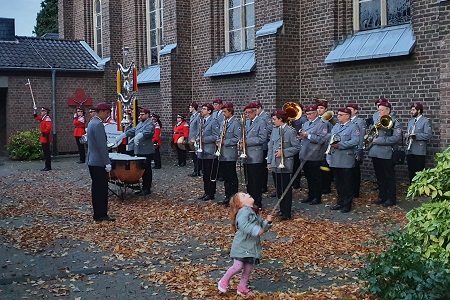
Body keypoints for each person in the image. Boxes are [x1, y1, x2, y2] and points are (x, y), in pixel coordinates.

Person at [217, 192, 273, 296]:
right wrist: (256, 230)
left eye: (246, 193)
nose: (247, 194)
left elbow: (261, 227)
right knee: (237, 266)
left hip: (252, 246)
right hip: (241, 245)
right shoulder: (243, 212)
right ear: (240, 204)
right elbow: (243, 225)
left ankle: (242, 287)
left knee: (248, 269)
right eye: (243, 196)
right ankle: (224, 280)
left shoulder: (255, 212)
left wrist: (267, 222)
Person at [267, 110, 301, 220]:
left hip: (285, 163)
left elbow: (297, 147)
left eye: (274, 119)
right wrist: (269, 161)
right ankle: (281, 210)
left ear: (281, 119)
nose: (273, 121)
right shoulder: (275, 130)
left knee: (285, 189)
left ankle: (287, 212)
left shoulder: (290, 131)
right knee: (278, 189)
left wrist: (284, 152)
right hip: (275, 163)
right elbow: (271, 146)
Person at [367, 101, 402, 207]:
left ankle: (391, 198)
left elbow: (396, 138)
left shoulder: (395, 122)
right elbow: (374, 133)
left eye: (382, 110)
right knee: (380, 176)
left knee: (389, 176)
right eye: (378, 110)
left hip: (387, 152)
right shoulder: (377, 120)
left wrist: (379, 141)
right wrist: (369, 137)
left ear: (388, 110)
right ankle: (382, 196)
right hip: (375, 152)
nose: (379, 112)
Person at [115, 108, 155, 196]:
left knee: (146, 170)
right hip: (139, 149)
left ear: (148, 114)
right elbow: (133, 131)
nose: (140, 116)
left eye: (142, 114)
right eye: (140, 115)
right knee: (141, 170)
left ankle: (147, 188)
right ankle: (143, 187)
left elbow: (148, 132)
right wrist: (122, 136)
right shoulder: (140, 123)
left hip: (146, 150)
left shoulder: (150, 124)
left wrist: (140, 136)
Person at [327, 108, 360, 213]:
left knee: (347, 183)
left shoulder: (353, 127)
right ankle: (340, 202)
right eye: (338, 114)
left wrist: (340, 145)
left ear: (348, 116)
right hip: (336, 158)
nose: (338, 116)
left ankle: (347, 204)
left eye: (341, 115)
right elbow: (331, 140)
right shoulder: (336, 126)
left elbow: (355, 141)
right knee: (338, 183)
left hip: (346, 158)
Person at [86, 102, 115, 222]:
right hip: (98, 161)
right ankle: (101, 214)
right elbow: (102, 146)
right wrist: (107, 162)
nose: (107, 115)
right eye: (107, 113)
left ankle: (98, 213)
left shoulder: (91, 123)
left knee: (96, 189)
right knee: (101, 189)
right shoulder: (98, 124)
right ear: (102, 112)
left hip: (92, 160)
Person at [299, 105, 329, 205]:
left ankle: (317, 197)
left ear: (315, 113)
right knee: (308, 176)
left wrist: (308, 136)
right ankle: (310, 195)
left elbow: (322, 139)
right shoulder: (306, 124)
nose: (308, 116)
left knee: (316, 177)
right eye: (307, 114)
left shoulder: (321, 124)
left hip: (315, 154)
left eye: (310, 114)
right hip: (305, 153)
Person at [242, 102, 268, 209]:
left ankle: (257, 202)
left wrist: (248, 141)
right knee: (248, 180)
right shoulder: (247, 122)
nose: (247, 115)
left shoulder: (261, 122)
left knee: (256, 180)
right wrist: (241, 141)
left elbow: (262, 138)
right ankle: (250, 200)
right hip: (247, 154)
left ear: (254, 112)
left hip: (256, 154)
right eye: (246, 113)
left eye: (249, 112)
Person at [217, 102, 241, 206]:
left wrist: (225, 142)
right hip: (222, 153)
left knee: (231, 176)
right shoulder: (223, 122)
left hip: (230, 152)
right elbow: (220, 134)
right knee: (226, 176)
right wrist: (218, 141)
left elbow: (237, 138)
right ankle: (227, 196)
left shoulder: (235, 123)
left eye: (225, 111)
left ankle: (233, 197)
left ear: (230, 112)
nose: (223, 113)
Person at [197, 103, 220, 201]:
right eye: (202, 109)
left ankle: (211, 193)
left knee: (210, 173)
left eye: (204, 109)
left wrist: (203, 139)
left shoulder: (213, 122)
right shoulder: (202, 121)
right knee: (204, 174)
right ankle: (206, 192)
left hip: (210, 151)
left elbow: (216, 136)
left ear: (209, 111)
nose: (202, 110)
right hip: (203, 151)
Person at [405, 102, 432, 183]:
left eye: (413, 110)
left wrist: (416, 136)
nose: (411, 112)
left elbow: (428, 135)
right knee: (411, 171)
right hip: (410, 149)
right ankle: (412, 187)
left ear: (419, 110)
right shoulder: (411, 122)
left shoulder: (425, 121)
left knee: (419, 172)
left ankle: (419, 190)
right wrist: (407, 136)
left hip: (419, 151)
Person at [347, 103, 366, 198]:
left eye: (350, 109)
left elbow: (361, 136)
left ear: (355, 111)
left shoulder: (359, 121)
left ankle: (355, 192)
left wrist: (359, 149)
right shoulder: (347, 121)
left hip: (356, 149)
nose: (349, 111)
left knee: (355, 171)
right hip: (348, 150)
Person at [254, 100, 272, 194]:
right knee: (260, 167)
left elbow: (269, 129)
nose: (255, 111)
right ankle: (260, 184)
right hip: (258, 144)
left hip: (264, 144)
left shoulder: (265, 117)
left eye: (256, 109)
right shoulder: (257, 117)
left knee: (263, 167)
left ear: (260, 108)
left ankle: (263, 186)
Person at [317, 100, 333, 194]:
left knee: (325, 167)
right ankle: (321, 185)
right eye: (318, 108)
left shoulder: (328, 120)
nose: (319, 110)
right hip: (318, 148)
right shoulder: (317, 119)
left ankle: (326, 187)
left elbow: (330, 134)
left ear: (326, 109)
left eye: (321, 108)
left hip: (325, 146)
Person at [34, 107, 52, 171]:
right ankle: (46, 165)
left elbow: (48, 128)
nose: (41, 112)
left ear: (46, 112)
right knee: (45, 152)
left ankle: (48, 166)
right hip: (43, 137)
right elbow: (36, 118)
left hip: (46, 137)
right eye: (41, 110)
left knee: (47, 152)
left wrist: (44, 132)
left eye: (42, 111)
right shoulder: (43, 118)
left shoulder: (47, 118)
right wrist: (35, 111)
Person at [188, 102, 201, 176]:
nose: (189, 108)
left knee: (196, 156)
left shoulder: (198, 116)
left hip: (195, 139)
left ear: (193, 107)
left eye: (190, 107)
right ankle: (195, 170)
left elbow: (199, 128)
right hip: (191, 139)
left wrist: (197, 137)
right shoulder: (192, 116)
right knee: (193, 155)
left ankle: (197, 171)